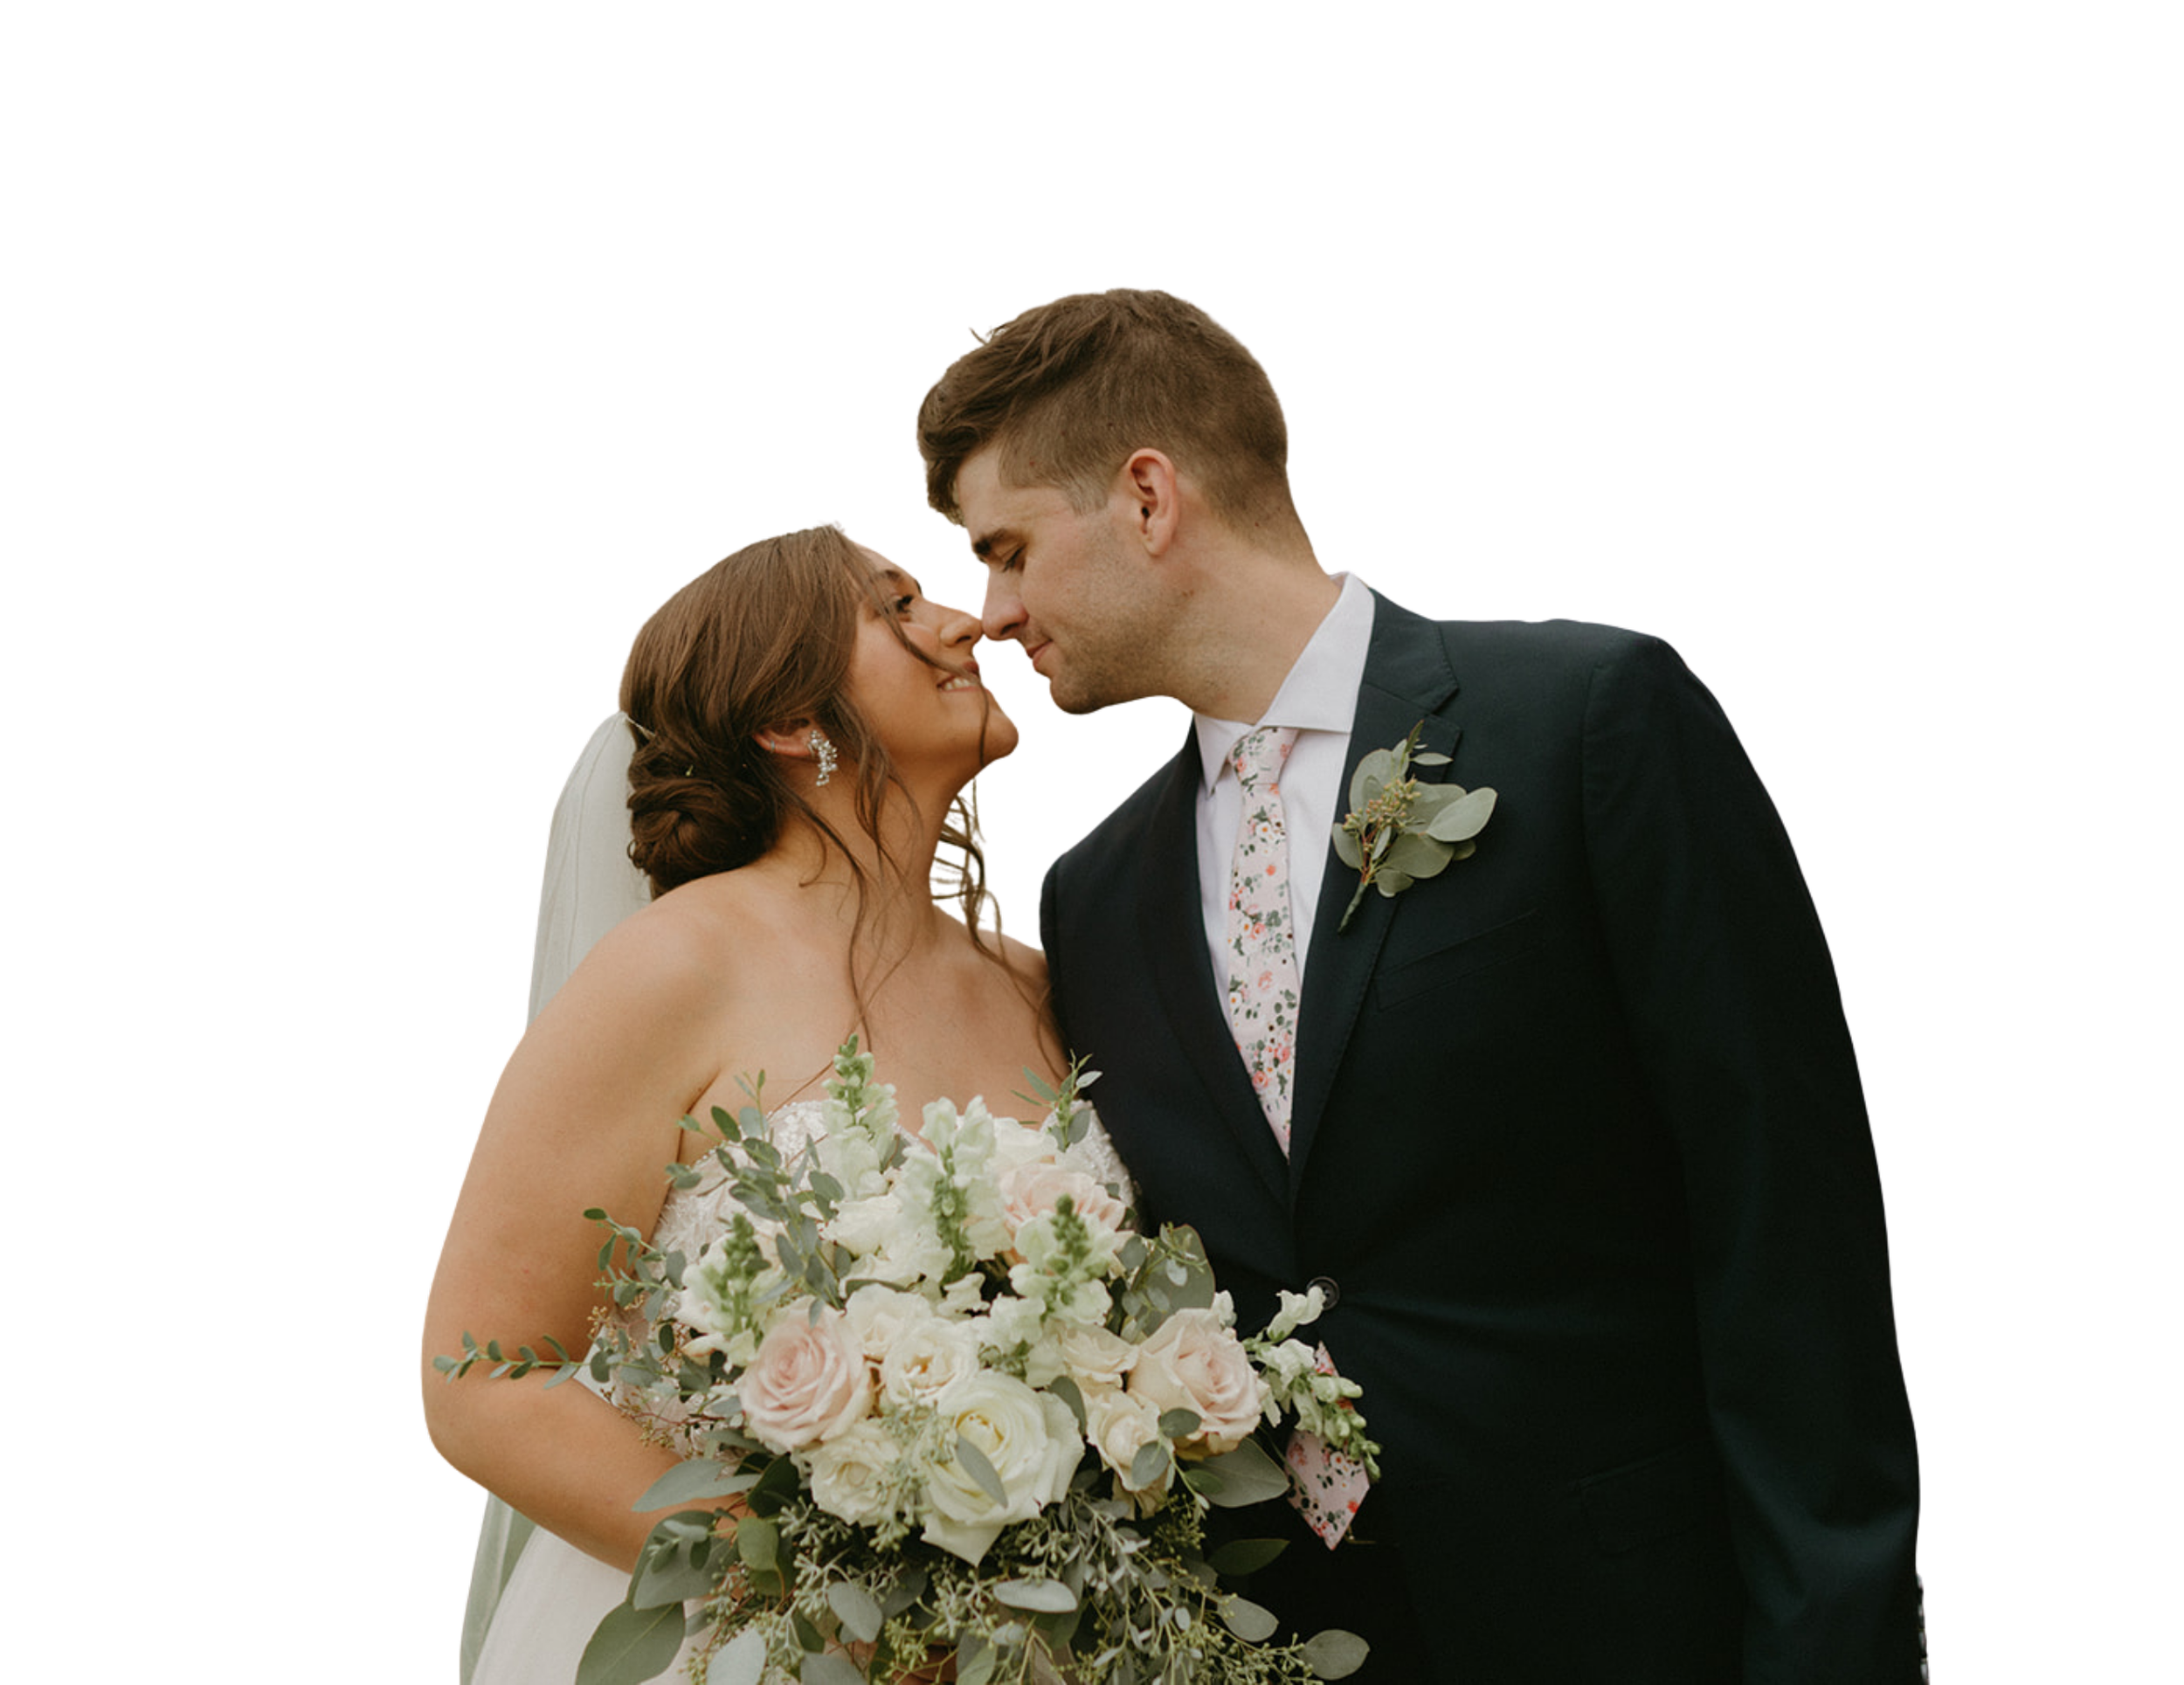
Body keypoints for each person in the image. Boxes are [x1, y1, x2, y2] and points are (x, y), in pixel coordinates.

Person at [914, 287, 1923, 1682]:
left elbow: (1784, 1225)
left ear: (1148, 497)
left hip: (1638, 1622)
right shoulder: (1094, 897)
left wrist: (1836, 1647)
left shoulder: (1585, 720)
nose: (998, 613)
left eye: (1010, 550)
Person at [421, 522, 1130, 1682]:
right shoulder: (673, 970)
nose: (967, 621)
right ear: (792, 723)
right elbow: (482, 1381)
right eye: (898, 606)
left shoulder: (1037, 983)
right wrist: (827, 1593)